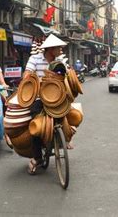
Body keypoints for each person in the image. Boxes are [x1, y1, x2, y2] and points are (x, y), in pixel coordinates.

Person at [23, 34, 69, 175]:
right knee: (36, 126)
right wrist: (34, 79)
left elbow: (67, 75)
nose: (60, 50)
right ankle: (37, 157)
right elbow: (27, 75)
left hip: (57, 97)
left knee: (67, 114)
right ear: (50, 49)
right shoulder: (35, 59)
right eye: (58, 48)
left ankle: (65, 138)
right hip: (38, 97)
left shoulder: (60, 60)